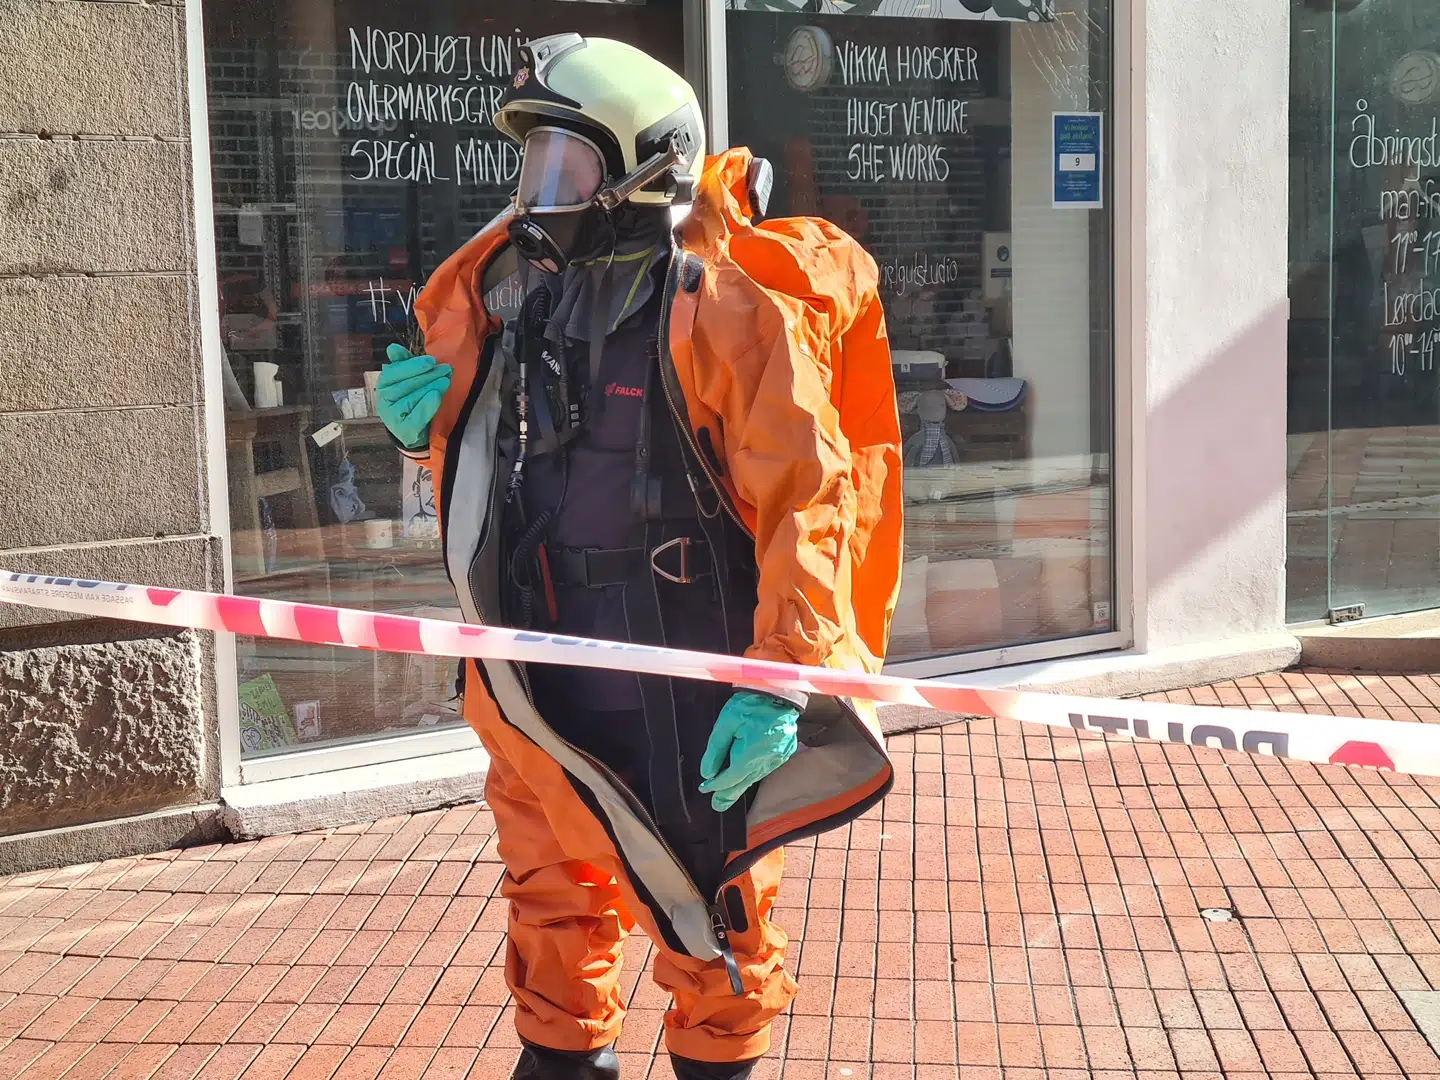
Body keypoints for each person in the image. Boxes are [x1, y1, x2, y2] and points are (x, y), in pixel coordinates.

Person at [373, 32, 903, 1080]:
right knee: (549, 887)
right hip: (543, 665)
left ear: (645, 164)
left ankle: (718, 1062)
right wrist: (427, 426)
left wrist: (780, 681)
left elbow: (810, 497)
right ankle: (564, 1056)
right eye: (533, 165)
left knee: (712, 912)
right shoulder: (521, 300)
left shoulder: (725, 309)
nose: (542, 193)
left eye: (567, 163)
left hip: (684, 675)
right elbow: (518, 466)